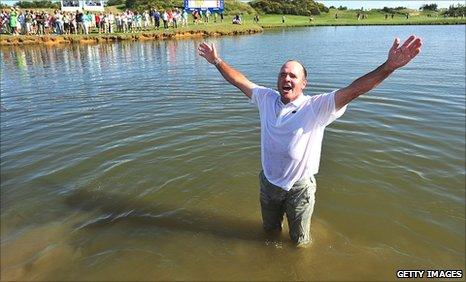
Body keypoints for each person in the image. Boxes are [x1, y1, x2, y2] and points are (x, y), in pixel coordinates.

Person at [197, 35, 422, 247]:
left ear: (304, 83)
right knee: (269, 232)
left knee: (299, 242)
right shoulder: (266, 98)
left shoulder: (317, 106)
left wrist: (388, 67)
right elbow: (239, 81)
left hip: (299, 188)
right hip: (269, 184)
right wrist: (217, 61)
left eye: (293, 76)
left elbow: (355, 90)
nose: (286, 78)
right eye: (283, 74)